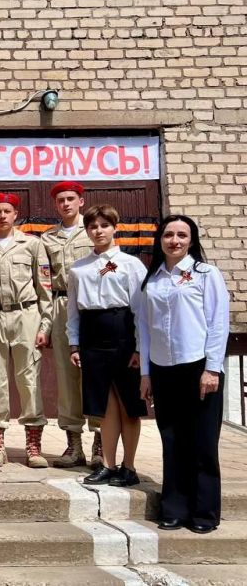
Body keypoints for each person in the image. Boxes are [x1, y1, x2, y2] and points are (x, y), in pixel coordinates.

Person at [136, 215, 230, 534]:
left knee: (203, 442)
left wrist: (212, 368)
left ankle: (205, 512)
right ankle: (174, 508)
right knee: (172, 440)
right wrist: (146, 375)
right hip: (164, 370)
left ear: (191, 240)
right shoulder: (153, 280)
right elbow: (145, 331)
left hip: (199, 367)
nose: (174, 240)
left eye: (181, 235)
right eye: (168, 235)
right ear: (160, 240)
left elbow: (218, 323)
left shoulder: (205, 274)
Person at [67, 205, 147, 487]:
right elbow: (73, 310)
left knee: (128, 405)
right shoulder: (78, 268)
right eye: (92, 226)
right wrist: (74, 344)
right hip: (92, 335)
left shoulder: (131, 264)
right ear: (86, 230)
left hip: (123, 332)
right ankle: (108, 464)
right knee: (105, 406)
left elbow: (140, 309)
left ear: (115, 227)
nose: (98, 231)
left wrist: (140, 348)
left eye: (104, 225)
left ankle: (129, 466)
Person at [0, 192, 52, 469]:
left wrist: (45, 324)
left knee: (29, 379)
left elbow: (44, 287)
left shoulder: (32, 244)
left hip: (26, 314)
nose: (2, 216)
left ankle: (33, 444)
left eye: (7, 211)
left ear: (16, 214)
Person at [40, 181, 101, 468]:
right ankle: (73, 445)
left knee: (95, 376)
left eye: (70, 199)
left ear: (81, 201)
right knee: (67, 378)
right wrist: (46, 323)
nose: (65, 204)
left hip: (93, 307)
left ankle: (101, 443)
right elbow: (43, 281)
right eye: (60, 200)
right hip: (61, 305)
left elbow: (109, 266)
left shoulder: (93, 230)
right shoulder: (47, 238)